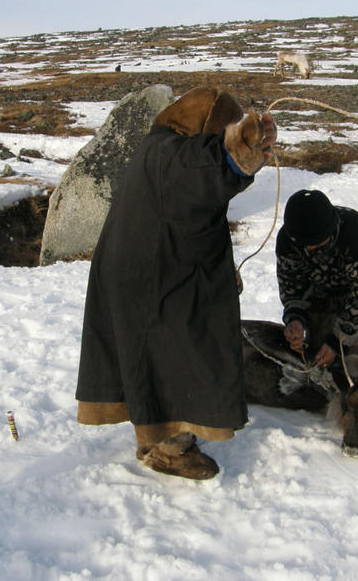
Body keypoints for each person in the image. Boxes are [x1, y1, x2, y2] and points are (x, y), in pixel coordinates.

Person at [76, 87, 277, 480]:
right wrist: (246, 141)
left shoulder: (158, 148)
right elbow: (212, 166)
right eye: (221, 129)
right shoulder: (174, 154)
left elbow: (190, 204)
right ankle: (168, 450)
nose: (221, 136)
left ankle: (156, 441)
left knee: (151, 358)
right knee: (178, 356)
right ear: (205, 127)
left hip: (145, 269)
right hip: (152, 277)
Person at [275, 189, 358, 434]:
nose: (313, 249)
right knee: (318, 353)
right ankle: (341, 388)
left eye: (320, 243)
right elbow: (293, 286)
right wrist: (296, 319)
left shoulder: (355, 233)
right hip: (326, 287)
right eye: (307, 245)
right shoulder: (288, 241)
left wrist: (337, 339)